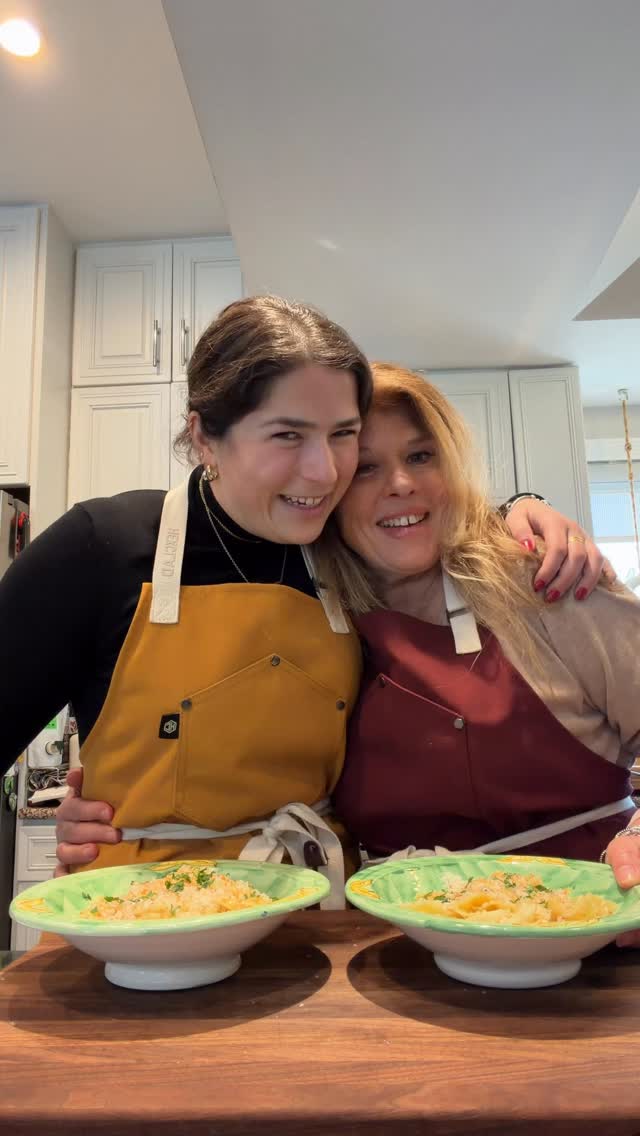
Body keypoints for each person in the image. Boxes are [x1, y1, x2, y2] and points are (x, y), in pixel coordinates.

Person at [31, 300, 604, 894]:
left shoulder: (341, 553)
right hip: (137, 924)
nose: (326, 472)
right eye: (288, 435)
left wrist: (521, 509)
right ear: (204, 435)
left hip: (318, 929)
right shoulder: (105, 547)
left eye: (343, 436)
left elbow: (428, 520)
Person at [321, 363, 640, 923]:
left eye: (421, 456)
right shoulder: (314, 620)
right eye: (365, 467)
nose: (400, 483)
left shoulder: (547, 581)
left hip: (589, 933)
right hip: (391, 950)